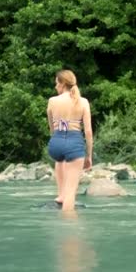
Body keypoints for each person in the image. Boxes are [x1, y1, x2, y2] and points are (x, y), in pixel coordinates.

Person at [47, 69, 93, 211]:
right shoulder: (83, 102)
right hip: (74, 142)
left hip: (56, 142)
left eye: (56, 83)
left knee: (59, 160)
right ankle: (70, 228)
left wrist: (59, 140)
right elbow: (88, 132)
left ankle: (60, 195)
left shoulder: (52, 101)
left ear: (62, 84)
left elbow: (52, 128)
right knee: (71, 195)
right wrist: (89, 155)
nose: (55, 87)